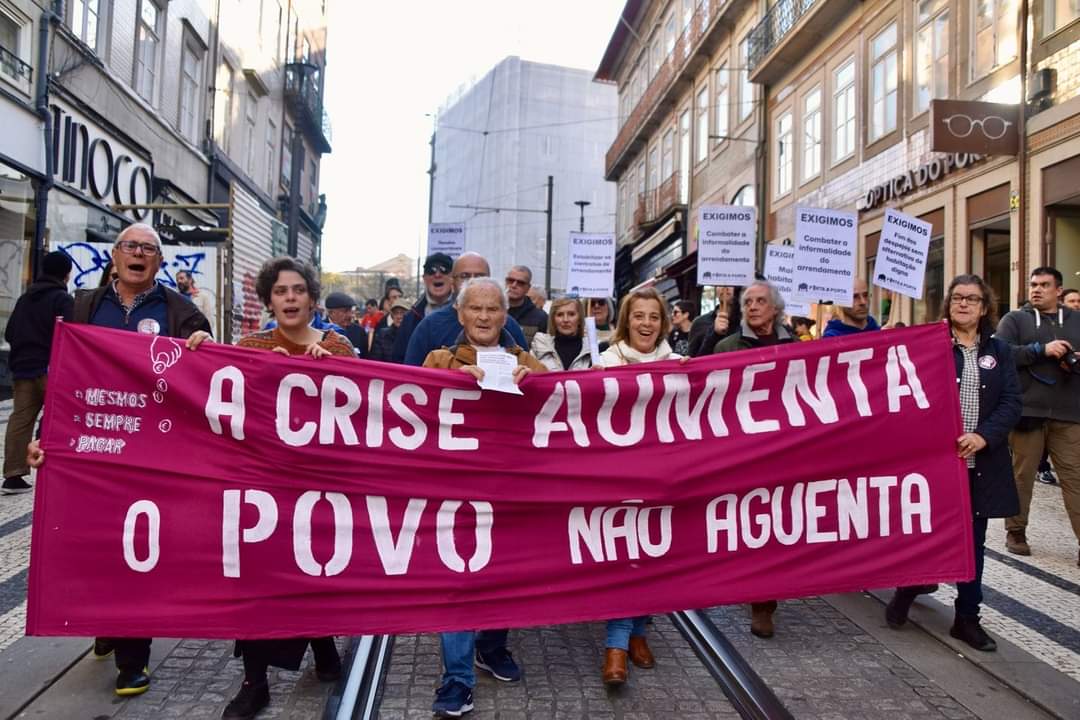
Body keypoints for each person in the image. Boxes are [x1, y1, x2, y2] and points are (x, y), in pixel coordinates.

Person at [46, 223, 211, 696]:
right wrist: (45, 435)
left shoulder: (182, 313)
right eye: (130, 246)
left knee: (139, 550)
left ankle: (132, 659)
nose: (138, 254)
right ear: (114, 257)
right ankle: (106, 620)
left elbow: (202, 381)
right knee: (95, 544)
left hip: (152, 455)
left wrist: (204, 349)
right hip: (93, 450)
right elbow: (61, 377)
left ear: (160, 262)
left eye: (149, 248)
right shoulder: (81, 307)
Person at [217, 257, 348, 720]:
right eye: (280, 291)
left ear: (312, 298)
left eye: (298, 290)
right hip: (262, 485)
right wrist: (198, 352)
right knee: (258, 581)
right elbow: (218, 396)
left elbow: (369, 413)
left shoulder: (339, 347)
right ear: (270, 299)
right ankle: (255, 682)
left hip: (318, 485)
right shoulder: (250, 345)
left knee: (312, 574)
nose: (289, 298)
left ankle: (325, 643)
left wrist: (335, 375)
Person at [421, 277, 545, 718]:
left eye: (493, 309)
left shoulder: (524, 359)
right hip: (454, 493)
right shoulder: (438, 358)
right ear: (460, 314)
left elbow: (569, 404)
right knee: (458, 583)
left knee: (503, 577)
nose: (484, 317)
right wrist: (447, 381)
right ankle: (457, 680)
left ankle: (491, 646)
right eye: (476, 309)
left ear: (505, 316)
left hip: (510, 492)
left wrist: (539, 382)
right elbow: (410, 403)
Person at [886, 274, 1021, 651]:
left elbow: (1012, 402)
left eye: (972, 299)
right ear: (949, 303)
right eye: (957, 297)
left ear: (984, 307)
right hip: (935, 465)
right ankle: (908, 590)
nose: (964, 304)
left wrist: (983, 435)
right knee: (927, 535)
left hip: (981, 464)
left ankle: (967, 618)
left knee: (972, 545)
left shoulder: (1000, 351)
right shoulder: (930, 346)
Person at [596, 287, 678, 687]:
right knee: (626, 557)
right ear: (626, 320)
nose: (646, 323)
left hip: (665, 476)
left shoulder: (680, 365)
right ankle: (616, 646)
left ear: (662, 323)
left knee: (653, 556)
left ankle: (639, 632)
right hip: (620, 477)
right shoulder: (604, 364)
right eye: (638, 315)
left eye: (653, 317)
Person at [713, 281, 795, 639]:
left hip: (784, 452)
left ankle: (764, 604)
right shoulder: (727, 347)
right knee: (746, 523)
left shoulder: (796, 348)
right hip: (741, 451)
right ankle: (743, 579)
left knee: (773, 527)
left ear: (775, 308)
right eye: (748, 302)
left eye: (761, 301)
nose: (753, 307)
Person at [995, 266, 1080, 566]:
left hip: (1069, 412)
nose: (1036, 289)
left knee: (1075, 479)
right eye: (1033, 284)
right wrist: (1041, 350)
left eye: (1044, 285)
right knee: (1022, 476)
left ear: (1059, 290)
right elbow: (1000, 354)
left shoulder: (1076, 320)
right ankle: (1016, 531)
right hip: (1028, 411)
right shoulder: (1015, 319)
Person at [2, 252, 74, 495]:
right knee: (61, 416)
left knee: (20, 420)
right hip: (51, 369)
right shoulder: (62, 299)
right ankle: (53, 470)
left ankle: (13, 476)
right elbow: (71, 335)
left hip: (22, 368)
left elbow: (10, 332)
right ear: (67, 274)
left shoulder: (25, 299)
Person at [403, 252, 527, 366]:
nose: (473, 281)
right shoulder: (429, 326)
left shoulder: (509, 325)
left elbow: (527, 372)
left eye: (479, 276)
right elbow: (412, 377)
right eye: (465, 276)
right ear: (452, 282)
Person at [392, 252, 455, 363]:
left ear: (452, 277)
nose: (437, 274)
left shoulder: (465, 314)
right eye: (431, 270)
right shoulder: (410, 319)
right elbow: (398, 360)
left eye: (444, 269)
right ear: (424, 278)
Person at [530, 297, 592, 371]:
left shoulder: (592, 349)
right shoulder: (539, 346)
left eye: (571, 314)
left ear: (579, 319)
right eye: (560, 315)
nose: (565, 320)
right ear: (553, 319)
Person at [688, 287, 738, 357]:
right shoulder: (699, 322)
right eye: (720, 283)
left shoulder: (746, 322)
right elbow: (692, 359)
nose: (725, 288)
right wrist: (715, 334)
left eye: (732, 284)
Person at [504, 265, 548, 346]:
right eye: (510, 280)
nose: (514, 285)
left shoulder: (540, 317)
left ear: (528, 288)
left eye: (520, 283)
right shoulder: (492, 311)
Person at [324, 291, 367, 357]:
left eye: (350, 310)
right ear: (331, 313)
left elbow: (366, 360)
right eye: (345, 311)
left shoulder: (359, 332)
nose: (350, 315)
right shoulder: (319, 330)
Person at [369, 297, 410, 361]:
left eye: (402, 313)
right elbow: (376, 360)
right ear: (392, 315)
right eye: (396, 313)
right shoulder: (382, 335)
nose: (399, 316)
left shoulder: (414, 335)